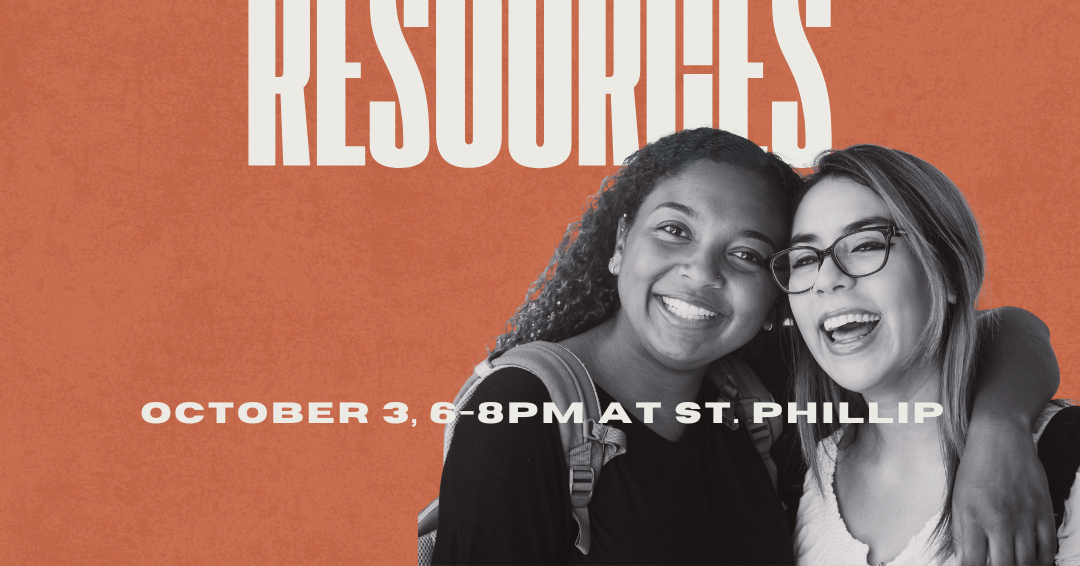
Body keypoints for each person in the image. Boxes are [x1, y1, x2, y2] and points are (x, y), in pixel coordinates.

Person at [431, 129, 1059, 565]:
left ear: (776, 293)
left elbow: (997, 328)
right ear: (621, 241)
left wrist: (998, 433)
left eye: (748, 255)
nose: (702, 273)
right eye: (675, 230)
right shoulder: (518, 412)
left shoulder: (756, 391)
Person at [776, 144, 1074, 566]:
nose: (826, 278)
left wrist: (999, 424)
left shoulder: (1064, 463)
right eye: (805, 258)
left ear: (947, 272)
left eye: (864, 244)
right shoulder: (801, 471)